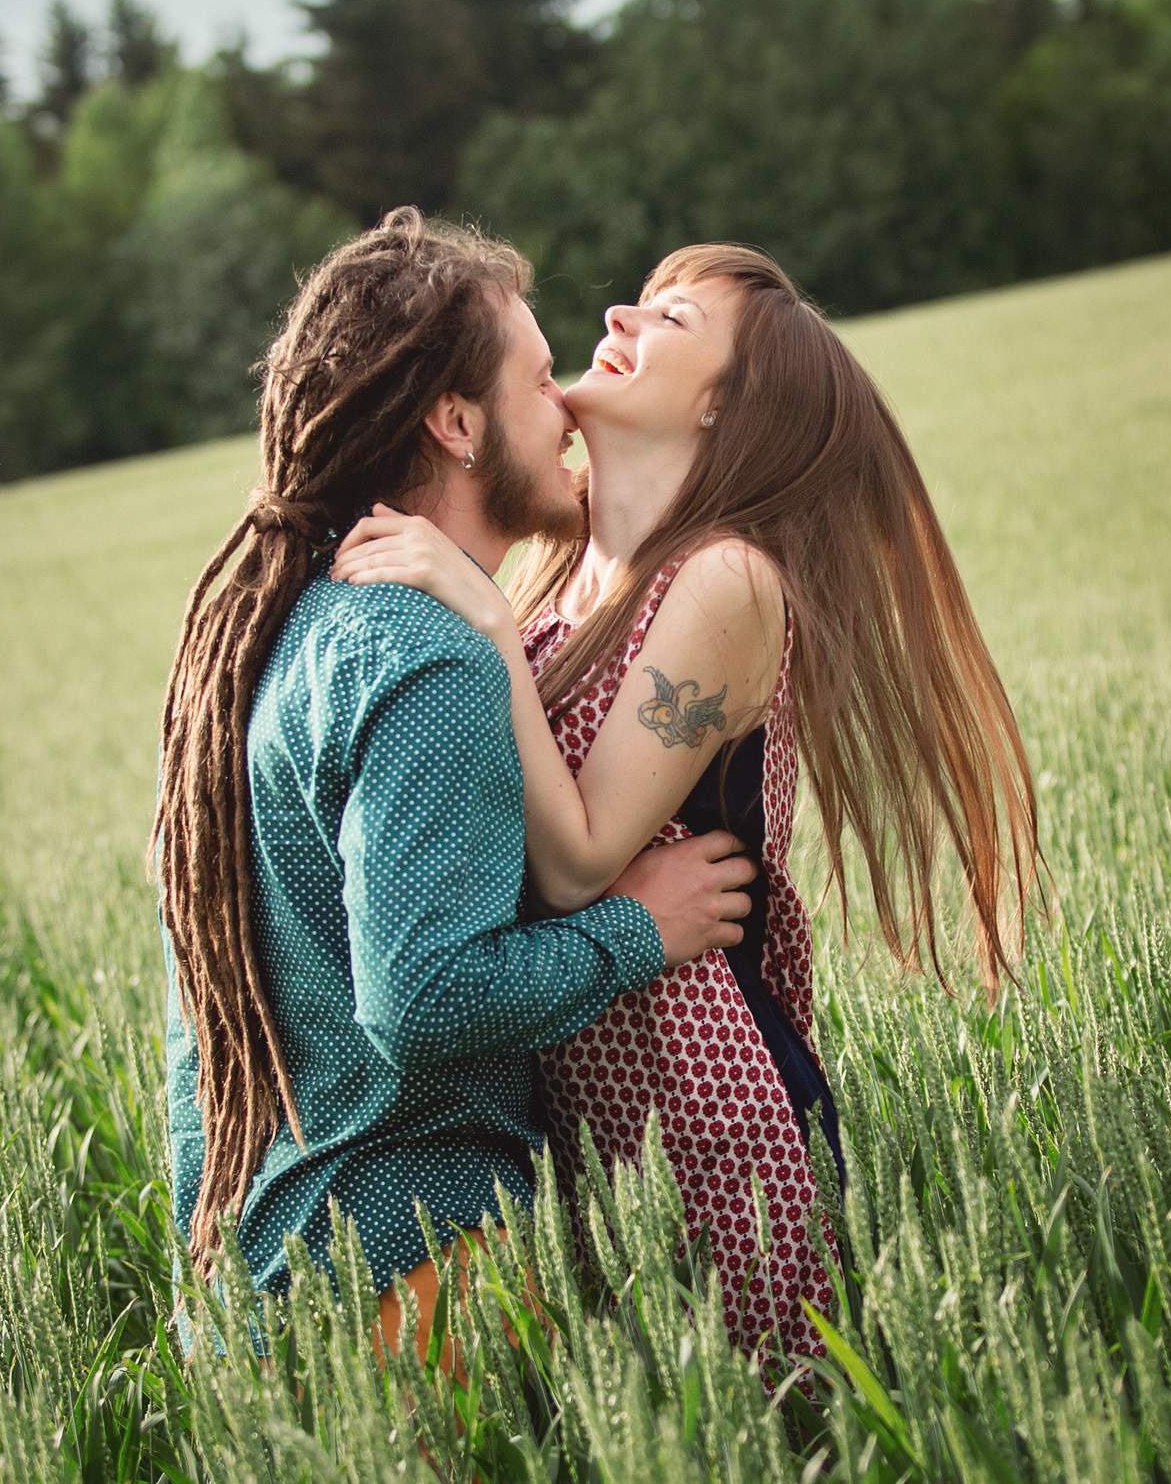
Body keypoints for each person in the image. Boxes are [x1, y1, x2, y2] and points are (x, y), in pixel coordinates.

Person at [331, 243, 1043, 1362]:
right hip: (582, 1097)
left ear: (724, 406)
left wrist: (480, 624)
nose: (616, 310)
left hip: (708, 1095)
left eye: (666, 317)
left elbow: (574, 864)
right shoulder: (557, 570)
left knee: (768, 1420)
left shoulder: (724, 580)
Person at [152, 210, 760, 1356]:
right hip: (413, 1279)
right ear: (456, 422)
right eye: (539, 382)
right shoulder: (426, 655)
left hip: (259, 1295)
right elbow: (422, 996)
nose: (567, 403)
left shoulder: (277, 630)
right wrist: (639, 926)